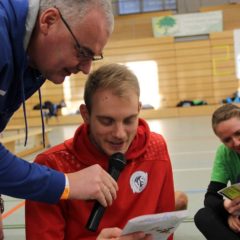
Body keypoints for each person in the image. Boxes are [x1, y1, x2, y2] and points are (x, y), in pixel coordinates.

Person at [0, 0, 117, 238]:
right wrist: (65, 183)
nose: (86, 69)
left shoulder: (37, 61)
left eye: (92, 58)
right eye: (82, 52)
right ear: (48, 21)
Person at [25, 63, 176, 240]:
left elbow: (164, 230)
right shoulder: (52, 166)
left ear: (139, 110)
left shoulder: (156, 147)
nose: (120, 134)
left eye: (129, 120)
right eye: (107, 121)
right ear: (85, 114)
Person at [194, 103, 240, 239]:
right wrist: (227, 213)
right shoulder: (225, 153)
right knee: (203, 216)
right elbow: (211, 197)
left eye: (238, 133)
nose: (236, 142)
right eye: (227, 140)